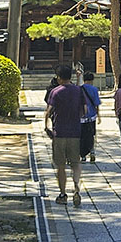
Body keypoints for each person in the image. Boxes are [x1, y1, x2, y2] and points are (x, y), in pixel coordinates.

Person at [45, 64, 87, 207]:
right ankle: (76, 189)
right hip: (75, 132)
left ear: (59, 77)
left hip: (59, 133)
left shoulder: (55, 92)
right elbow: (85, 110)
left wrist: (46, 127)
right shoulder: (78, 91)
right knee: (75, 163)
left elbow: (48, 111)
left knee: (61, 165)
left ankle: (63, 194)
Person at [80, 70, 102, 163]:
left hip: (81, 117)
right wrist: (99, 116)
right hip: (92, 116)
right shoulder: (94, 90)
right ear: (92, 80)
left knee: (82, 136)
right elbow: (96, 104)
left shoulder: (79, 89)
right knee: (91, 134)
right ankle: (92, 151)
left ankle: (83, 155)